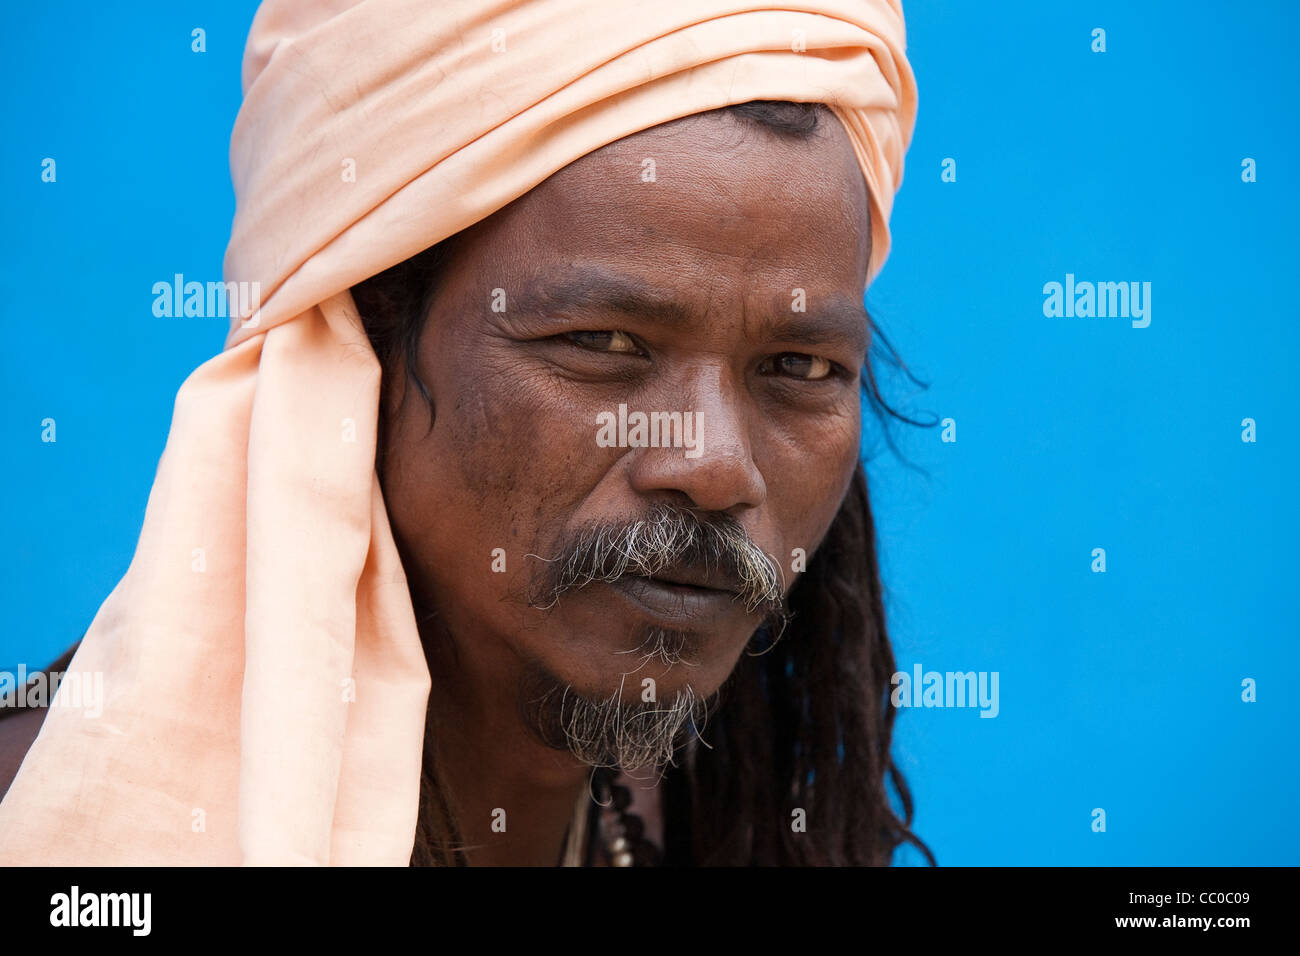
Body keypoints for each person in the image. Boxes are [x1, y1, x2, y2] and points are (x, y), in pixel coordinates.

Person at [0, 0, 925, 866]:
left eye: (800, 369)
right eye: (602, 343)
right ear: (361, 340)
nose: (718, 464)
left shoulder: (697, 819)